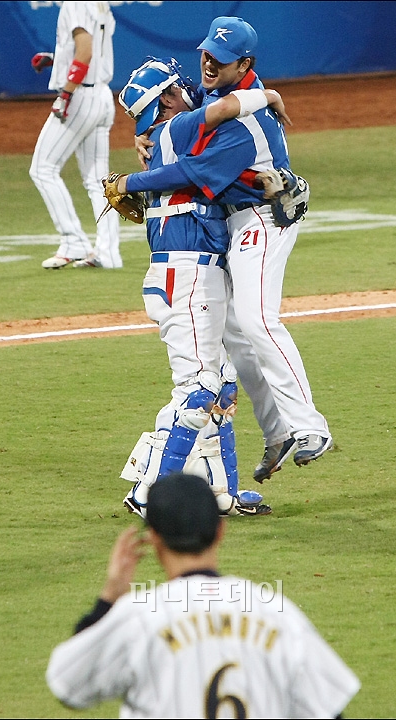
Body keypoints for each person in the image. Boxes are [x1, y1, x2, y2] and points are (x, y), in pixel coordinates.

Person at [128, 17, 333, 481]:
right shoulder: (221, 93)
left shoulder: (243, 122)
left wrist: (131, 180)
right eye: (205, 54)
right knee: (237, 337)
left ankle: (310, 427)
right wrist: (146, 135)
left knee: (259, 320)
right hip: (239, 220)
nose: (207, 63)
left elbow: (189, 172)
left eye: (219, 60)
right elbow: (190, 114)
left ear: (244, 64)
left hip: (264, 218)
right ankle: (278, 430)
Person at [114, 57, 289, 519]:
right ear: (167, 99)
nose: (185, 88)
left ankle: (219, 492)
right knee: (200, 387)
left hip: (195, 271)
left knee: (223, 383)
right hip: (187, 272)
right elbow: (223, 108)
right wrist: (269, 96)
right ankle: (149, 490)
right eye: (174, 87)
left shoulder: (159, 138)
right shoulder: (178, 131)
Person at [46, 472, 361, 718]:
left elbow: (69, 683)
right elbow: (329, 710)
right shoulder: (277, 612)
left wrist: (109, 598)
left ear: (153, 538)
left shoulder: (139, 617)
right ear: (221, 532)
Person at [29, 1, 122, 270]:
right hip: (102, 95)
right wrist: (56, 60)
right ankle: (108, 253)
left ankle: (73, 242)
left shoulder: (76, 3)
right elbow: (92, 51)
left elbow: (85, 52)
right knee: (98, 181)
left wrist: (66, 93)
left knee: (43, 169)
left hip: (81, 96)